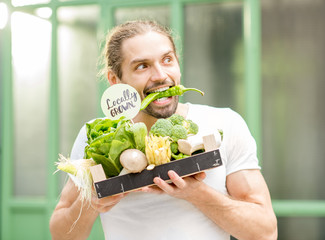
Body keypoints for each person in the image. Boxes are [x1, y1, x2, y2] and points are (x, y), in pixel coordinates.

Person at [49, 20, 277, 240]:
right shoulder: (99, 136)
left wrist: (196, 193)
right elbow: (61, 235)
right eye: (142, 66)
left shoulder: (224, 123)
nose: (160, 76)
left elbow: (265, 232)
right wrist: (91, 202)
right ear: (115, 80)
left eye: (167, 60)